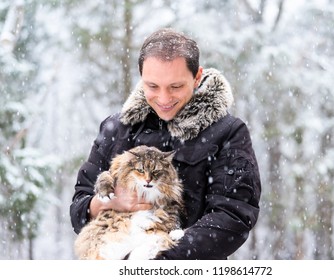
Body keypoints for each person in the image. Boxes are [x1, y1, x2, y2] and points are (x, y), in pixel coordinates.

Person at [70, 28, 261, 260]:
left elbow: (233, 215)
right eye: (152, 86)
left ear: (197, 77)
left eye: (175, 87)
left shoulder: (227, 132)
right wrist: (106, 202)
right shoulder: (117, 127)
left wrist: (160, 260)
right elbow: (79, 207)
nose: (163, 98)